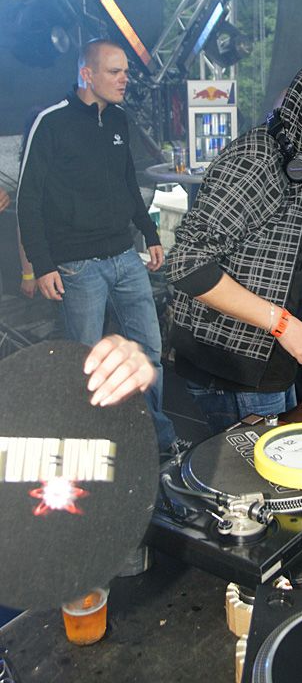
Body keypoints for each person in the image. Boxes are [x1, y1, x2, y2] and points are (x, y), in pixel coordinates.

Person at [166, 55, 302, 432]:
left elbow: (271, 248)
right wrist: (284, 325)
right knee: (253, 470)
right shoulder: (254, 161)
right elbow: (187, 264)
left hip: (267, 357)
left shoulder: (298, 155)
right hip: (233, 366)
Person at [16, 39, 176, 452]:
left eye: (125, 72)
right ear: (87, 74)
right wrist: (41, 265)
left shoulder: (119, 119)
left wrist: (150, 233)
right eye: (114, 71)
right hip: (77, 265)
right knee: (88, 363)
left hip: (124, 255)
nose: (124, 79)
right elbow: (28, 200)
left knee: (149, 353)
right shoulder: (51, 122)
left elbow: (128, 184)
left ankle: (150, 439)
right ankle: (91, 443)